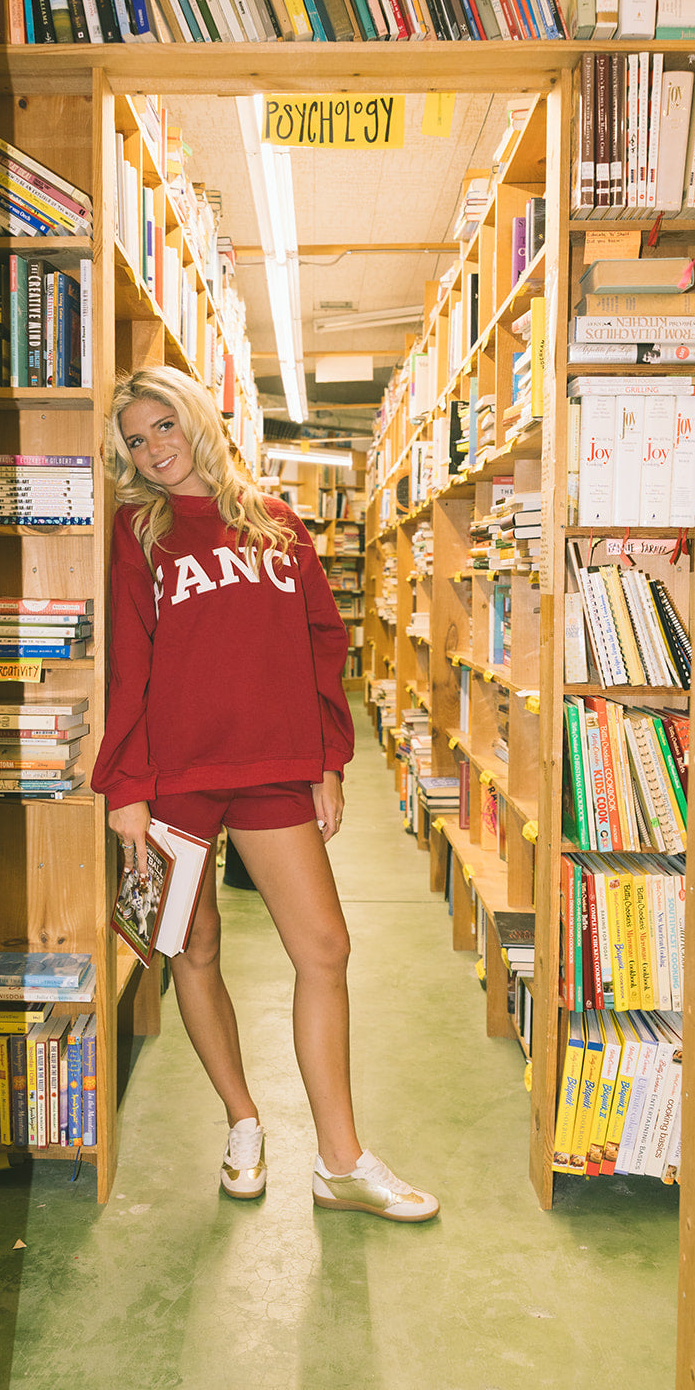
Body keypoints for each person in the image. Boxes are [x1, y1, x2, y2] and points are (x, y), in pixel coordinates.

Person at [92, 366, 438, 1223]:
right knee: (193, 949)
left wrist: (326, 757)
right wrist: (126, 786)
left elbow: (322, 640)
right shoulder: (139, 529)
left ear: (197, 420)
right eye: (135, 440)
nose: (152, 449)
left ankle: (341, 1161)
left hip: (271, 766)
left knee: (323, 948)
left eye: (163, 426)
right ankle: (242, 1120)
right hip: (173, 774)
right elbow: (128, 662)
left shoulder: (277, 522)